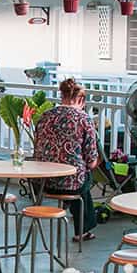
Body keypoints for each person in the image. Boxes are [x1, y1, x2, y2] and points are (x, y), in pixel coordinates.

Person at [34, 78, 98, 241]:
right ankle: (82, 230)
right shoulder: (84, 119)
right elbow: (91, 161)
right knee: (83, 177)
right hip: (71, 185)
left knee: (78, 176)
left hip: (43, 182)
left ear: (61, 95)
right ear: (81, 99)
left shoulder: (45, 116)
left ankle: (77, 220)